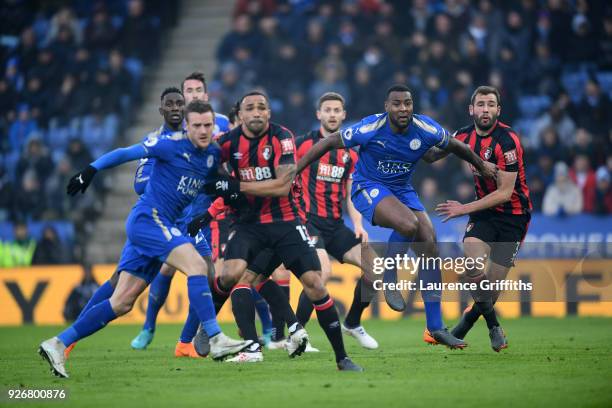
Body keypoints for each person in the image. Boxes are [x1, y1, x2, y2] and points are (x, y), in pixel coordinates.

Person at [38, 99, 248, 378]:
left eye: (207, 125)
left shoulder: (210, 154)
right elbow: (126, 152)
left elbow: (212, 181)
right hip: (149, 220)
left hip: (160, 225)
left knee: (122, 301)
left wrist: (232, 189)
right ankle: (216, 338)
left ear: (214, 125)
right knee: (197, 266)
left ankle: (57, 343)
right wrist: (90, 170)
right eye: (196, 125)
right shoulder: (169, 145)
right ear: (187, 126)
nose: (202, 130)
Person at [296, 84, 497, 349]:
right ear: (387, 107)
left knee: (428, 241)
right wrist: (294, 171)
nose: (403, 109)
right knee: (409, 224)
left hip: (401, 189)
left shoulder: (424, 127)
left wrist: (480, 165)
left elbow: (451, 149)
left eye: (408, 103)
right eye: (397, 104)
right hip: (367, 186)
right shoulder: (371, 127)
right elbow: (329, 142)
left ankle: (435, 326)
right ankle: (389, 276)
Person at [203, 91, 362, 371]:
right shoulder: (226, 143)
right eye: (249, 107)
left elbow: (282, 185)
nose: (255, 112)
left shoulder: (282, 137)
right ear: (240, 115)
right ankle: (212, 330)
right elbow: (207, 173)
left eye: (261, 107)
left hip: (287, 222)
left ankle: (341, 357)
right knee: (231, 275)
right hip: (249, 225)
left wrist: (235, 186)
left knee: (315, 282)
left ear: (268, 113)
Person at [429, 85, 532, 352]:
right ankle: (494, 327)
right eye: (481, 105)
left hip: (514, 216)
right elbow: (431, 155)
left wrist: (463, 209)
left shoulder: (508, 141)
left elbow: (505, 193)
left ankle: (466, 322)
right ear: (471, 109)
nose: (485, 110)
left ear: (498, 109)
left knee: (493, 286)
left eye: (490, 105)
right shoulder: (462, 135)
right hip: (484, 214)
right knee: (473, 263)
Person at [292, 92, 379, 350]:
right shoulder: (303, 144)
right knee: (321, 273)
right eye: (327, 110)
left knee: (375, 270)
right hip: (309, 223)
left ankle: (352, 323)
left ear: (344, 115)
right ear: (318, 114)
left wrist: (359, 225)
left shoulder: (349, 153)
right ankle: (296, 335)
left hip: (336, 225)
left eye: (336, 110)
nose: (332, 114)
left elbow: (351, 194)